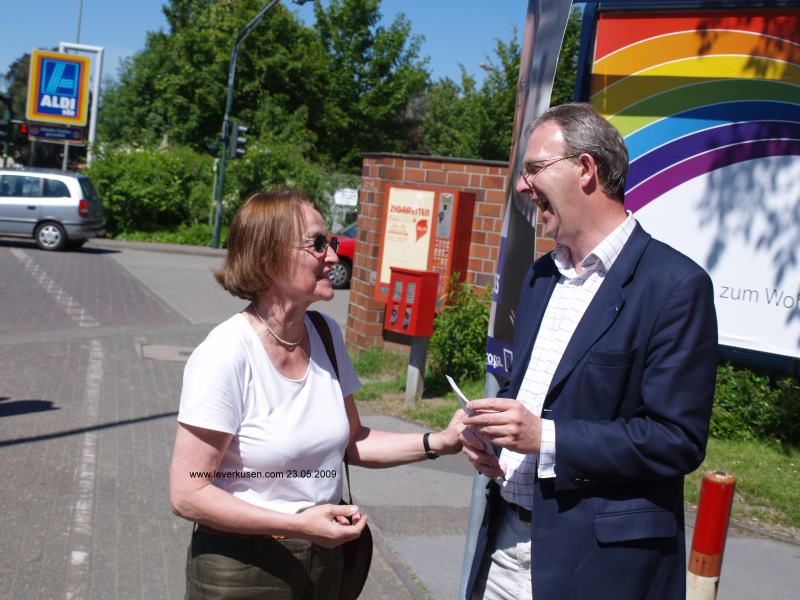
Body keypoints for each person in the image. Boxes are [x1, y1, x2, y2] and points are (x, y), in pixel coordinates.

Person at [461, 103, 718, 600]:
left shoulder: (675, 286)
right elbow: (529, 392)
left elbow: (675, 439)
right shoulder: (540, 276)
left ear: (585, 169)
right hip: (505, 545)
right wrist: (493, 436)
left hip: (598, 568)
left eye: (533, 169)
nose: (520, 186)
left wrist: (545, 438)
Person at [169, 189, 464, 599]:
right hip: (243, 569)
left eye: (332, 242)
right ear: (268, 257)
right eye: (318, 243)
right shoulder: (224, 355)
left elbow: (354, 441)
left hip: (323, 561)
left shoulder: (325, 334)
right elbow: (188, 494)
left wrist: (441, 442)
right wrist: (299, 524)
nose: (333, 255)